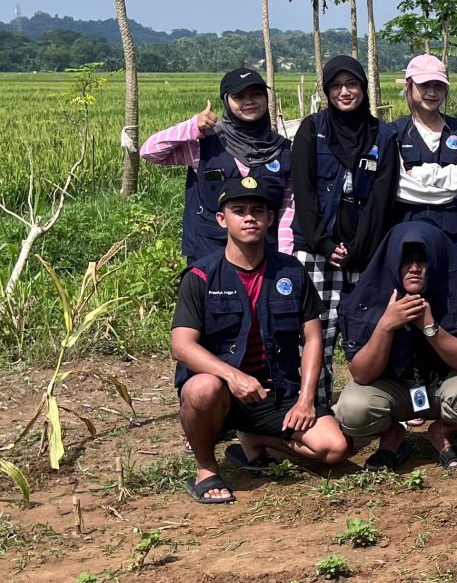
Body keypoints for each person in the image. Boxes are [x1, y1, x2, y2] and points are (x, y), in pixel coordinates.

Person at [170, 177, 350, 504]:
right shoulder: (201, 276)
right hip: (223, 393)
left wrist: (306, 400)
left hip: (275, 391)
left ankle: (256, 438)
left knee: (334, 449)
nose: (249, 217)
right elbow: (182, 346)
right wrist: (232, 376)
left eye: (258, 211)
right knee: (201, 388)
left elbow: (312, 338)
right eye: (238, 211)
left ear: (270, 219)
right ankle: (206, 469)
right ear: (222, 220)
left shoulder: (292, 272)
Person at [335, 223, 457, 470]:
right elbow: (361, 374)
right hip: (391, 388)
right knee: (352, 410)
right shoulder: (365, 298)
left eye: (422, 260)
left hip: (441, 384)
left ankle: (442, 431)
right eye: (405, 260)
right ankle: (392, 437)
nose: (414, 268)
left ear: (436, 261)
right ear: (391, 262)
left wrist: (430, 326)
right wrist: (386, 326)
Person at [288, 54, 386, 404]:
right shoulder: (311, 129)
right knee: (317, 332)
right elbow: (304, 190)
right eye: (337, 86)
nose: (345, 92)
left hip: (366, 254)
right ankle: (315, 407)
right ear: (327, 91)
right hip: (317, 252)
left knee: (371, 331)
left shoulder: (381, 133)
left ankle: (376, 411)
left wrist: (359, 248)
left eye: (352, 84)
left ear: (363, 87)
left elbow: (381, 200)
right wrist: (324, 244)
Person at [141, 68, 294, 262]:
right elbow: (149, 151)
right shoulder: (203, 144)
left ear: (265, 97)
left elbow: (288, 209)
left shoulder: (284, 151)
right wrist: (192, 126)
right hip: (208, 256)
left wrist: (286, 258)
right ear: (226, 102)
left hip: (263, 258)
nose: (249, 101)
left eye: (256, 94)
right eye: (239, 96)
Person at [380, 54, 457, 276]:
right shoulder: (392, 133)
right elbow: (398, 188)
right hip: (408, 233)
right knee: (414, 302)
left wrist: (421, 173)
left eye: (439, 86)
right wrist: (451, 191)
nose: (432, 92)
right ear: (410, 86)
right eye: (424, 85)